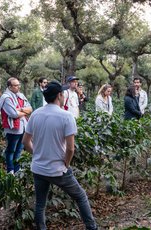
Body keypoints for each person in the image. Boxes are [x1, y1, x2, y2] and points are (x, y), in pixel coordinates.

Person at [22, 81, 98, 230]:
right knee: (81, 196)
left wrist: (36, 154)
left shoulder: (35, 114)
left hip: (38, 168)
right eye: (62, 94)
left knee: (40, 204)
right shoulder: (66, 116)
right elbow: (70, 148)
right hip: (58, 169)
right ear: (59, 96)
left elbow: (25, 142)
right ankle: (91, 227)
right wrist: (66, 164)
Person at [0, 77, 32, 174]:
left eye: (19, 85)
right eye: (16, 85)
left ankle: (17, 171)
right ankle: (10, 171)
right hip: (13, 128)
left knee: (19, 151)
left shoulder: (21, 95)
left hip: (23, 127)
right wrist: (24, 111)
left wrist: (20, 110)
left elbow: (30, 109)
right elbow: (13, 114)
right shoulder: (6, 98)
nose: (18, 87)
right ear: (9, 87)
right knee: (11, 150)